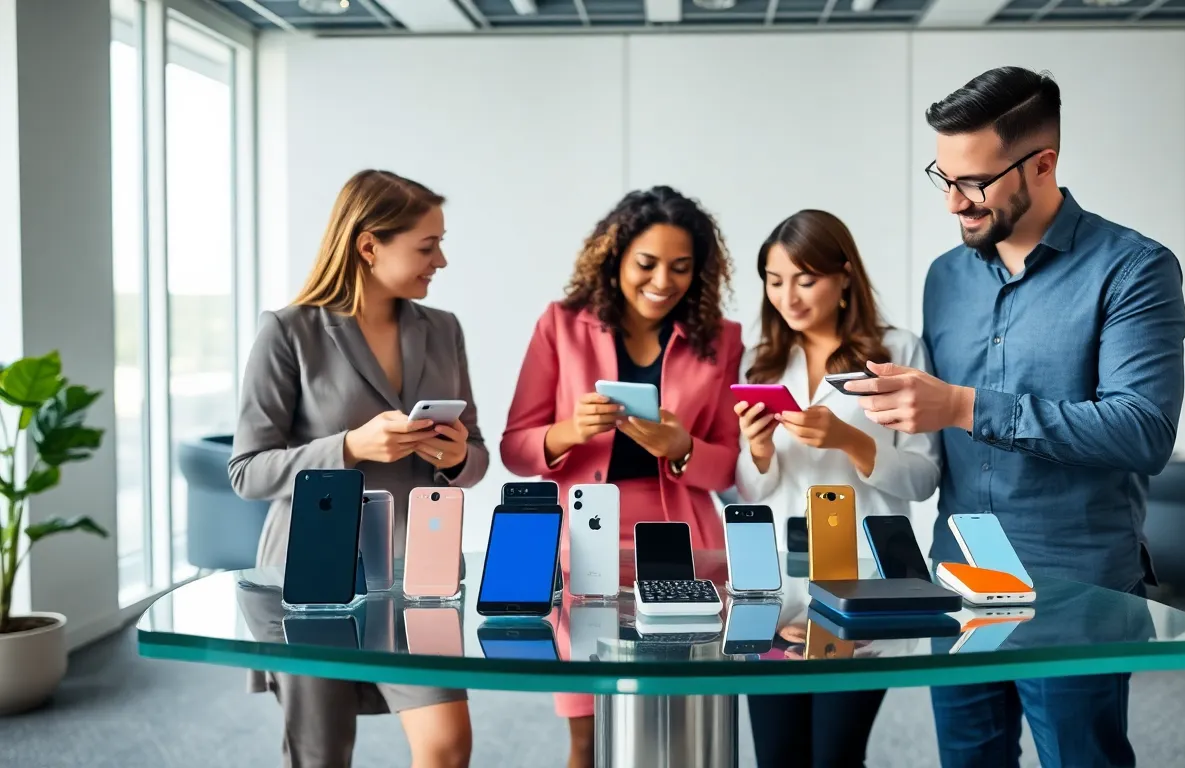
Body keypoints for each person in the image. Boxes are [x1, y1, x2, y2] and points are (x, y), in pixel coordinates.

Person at [847, 67, 1185, 768]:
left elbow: (1142, 431)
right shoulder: (946, 276)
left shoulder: (1134, 269)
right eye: (942, 178)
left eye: (972, 182)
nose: (952, 203)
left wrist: (962, 406)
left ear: (1043, 163)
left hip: (1077, 581)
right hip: (960, 574)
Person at [229, 169, 488, 768]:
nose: (441, 260)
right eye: (427, 245)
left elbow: (474, 454)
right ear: (369, 245)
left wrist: (454, 458)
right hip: (310, 578)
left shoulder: (443, 330)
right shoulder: (288, 332)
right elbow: (247, 471)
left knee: (447, 747)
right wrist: (349, 447)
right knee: (322, 756)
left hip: (416, 577)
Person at [499, 185, 743, 768]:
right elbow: (515, 447)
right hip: (581, 542)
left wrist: (683, 446)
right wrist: (568, 432)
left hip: (683, 541)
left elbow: (730, 460)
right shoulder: (560, 325)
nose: (664, 281)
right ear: (614, 258)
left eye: (682, 268)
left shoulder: (721, 339)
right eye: (647, 263)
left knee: (686, 722)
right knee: (585, 728)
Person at [734, 209, 941, 768]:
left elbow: (923, 478)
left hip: (866, 585)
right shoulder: (760, 362)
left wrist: (852, 440)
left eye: (805, 279)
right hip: (777, 587)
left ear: (844, 275)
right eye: (775, 282)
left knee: (836, 755)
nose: (788, 297)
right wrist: (757, 451)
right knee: (777, 755)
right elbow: (753, 492)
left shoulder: (898, 352)